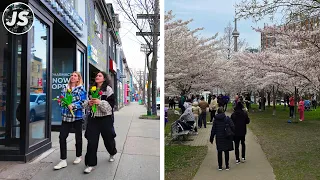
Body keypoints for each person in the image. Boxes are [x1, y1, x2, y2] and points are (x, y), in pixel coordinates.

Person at [83, 72, 117, 173]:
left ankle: (112, 152)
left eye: (100, 76)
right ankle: (91, 164)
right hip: (93, 119)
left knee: (108, 139)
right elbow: (85, 103)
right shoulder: (91, 89)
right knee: (92, 141)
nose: (97, 77)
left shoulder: (108, 89)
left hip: (105, 119)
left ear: (104, 79)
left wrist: (100, 102)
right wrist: (88, 103)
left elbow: (111, 106)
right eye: (96, 76)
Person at [54, 72, 87, 170]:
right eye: (72, 75)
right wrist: (62, 103)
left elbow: (83, 102)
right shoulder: (65, 87)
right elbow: (60, 99)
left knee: (78, 137)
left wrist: (73, 105)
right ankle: (63, 160)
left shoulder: (81, 89)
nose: (72, 77)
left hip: (77, 116)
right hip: (66, 116)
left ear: (78, 79)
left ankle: (78, 155)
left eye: (75, 76)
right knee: (62, 137)